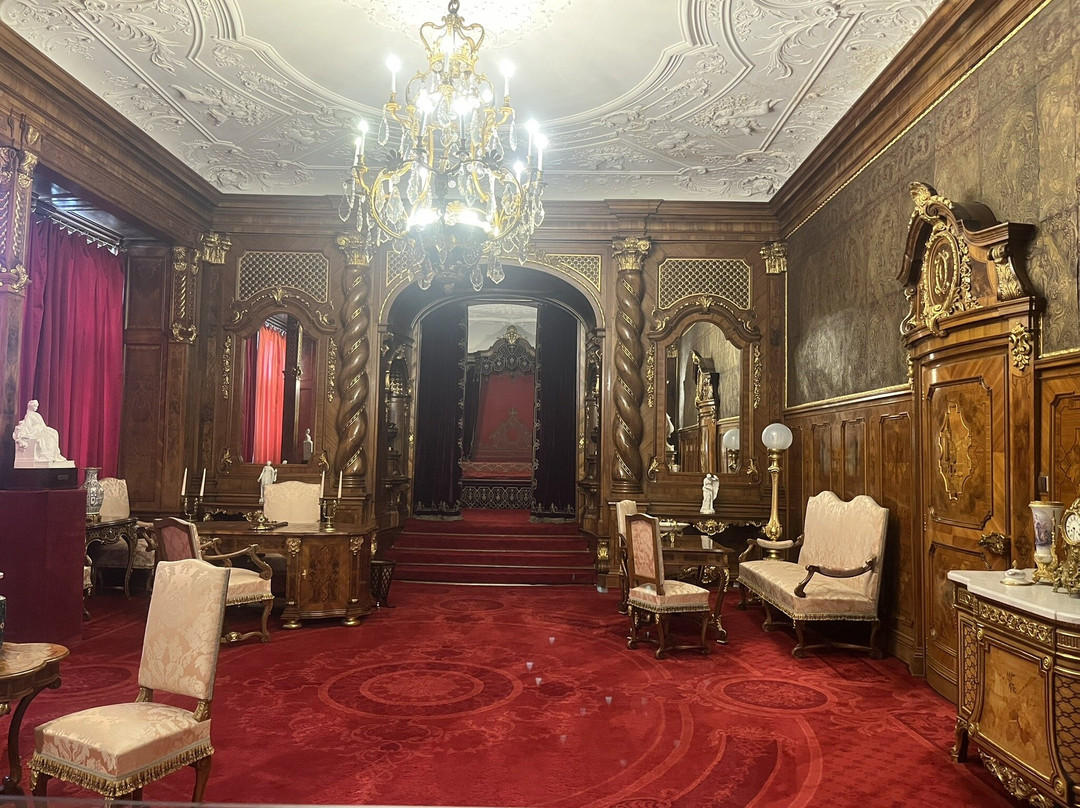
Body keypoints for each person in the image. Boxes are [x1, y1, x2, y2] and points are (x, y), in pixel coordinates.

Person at [12, 399, 67, 463]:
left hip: (41, 429)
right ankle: (46, 456)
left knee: (54, 433)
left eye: (37, 406)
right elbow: (28, 427)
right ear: (30, 406)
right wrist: (37, 429)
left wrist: (44, 429)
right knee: (46, 439)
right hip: (34, 431)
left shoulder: (37, 415)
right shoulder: (28, 416)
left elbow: (43, 425)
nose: (36, 407)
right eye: (35, 406)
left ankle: (55, 454)